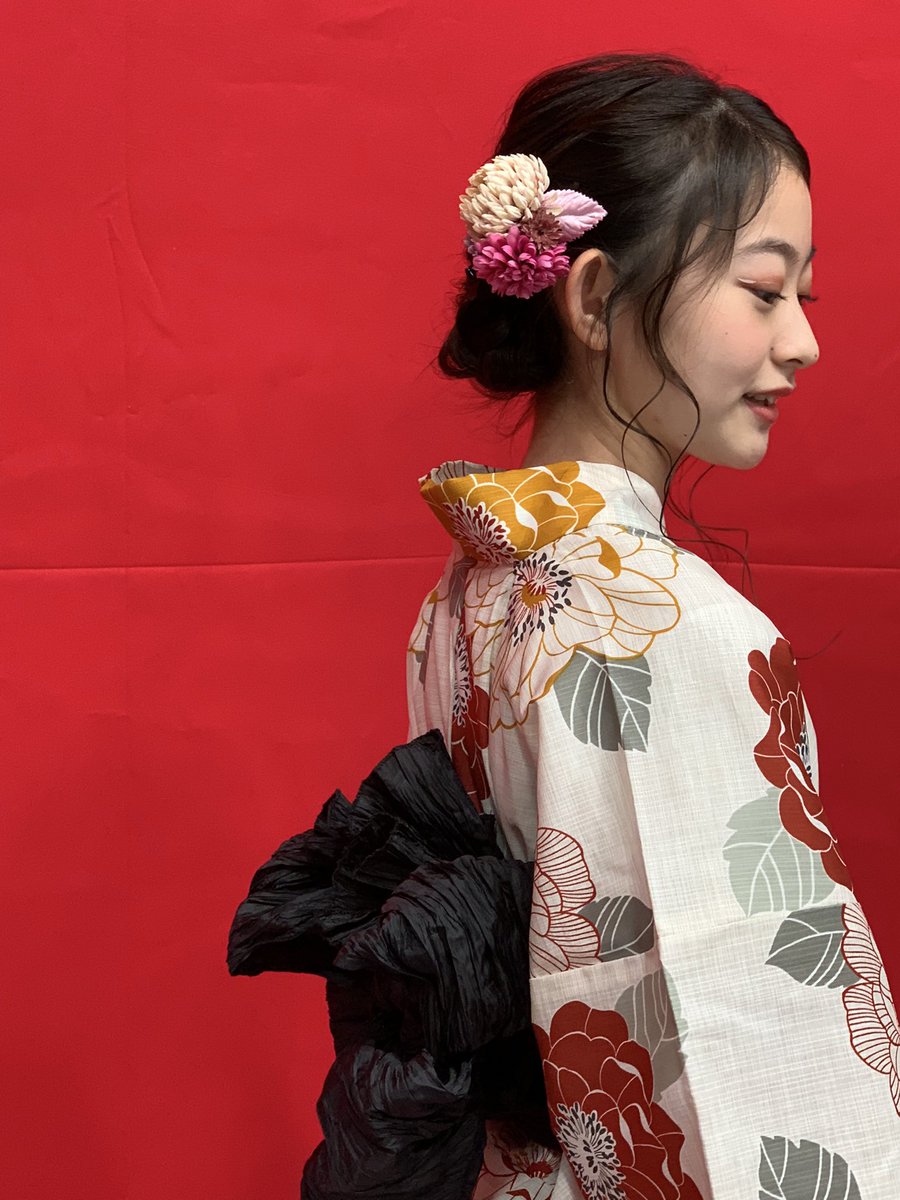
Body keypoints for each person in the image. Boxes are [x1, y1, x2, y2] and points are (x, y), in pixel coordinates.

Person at [406, 51, 899, 1198]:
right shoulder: (660, 625)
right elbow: (747, 1038)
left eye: (803, 297)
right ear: (592, 299)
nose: (802, 342)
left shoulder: (465, 593)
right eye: (764, 290)